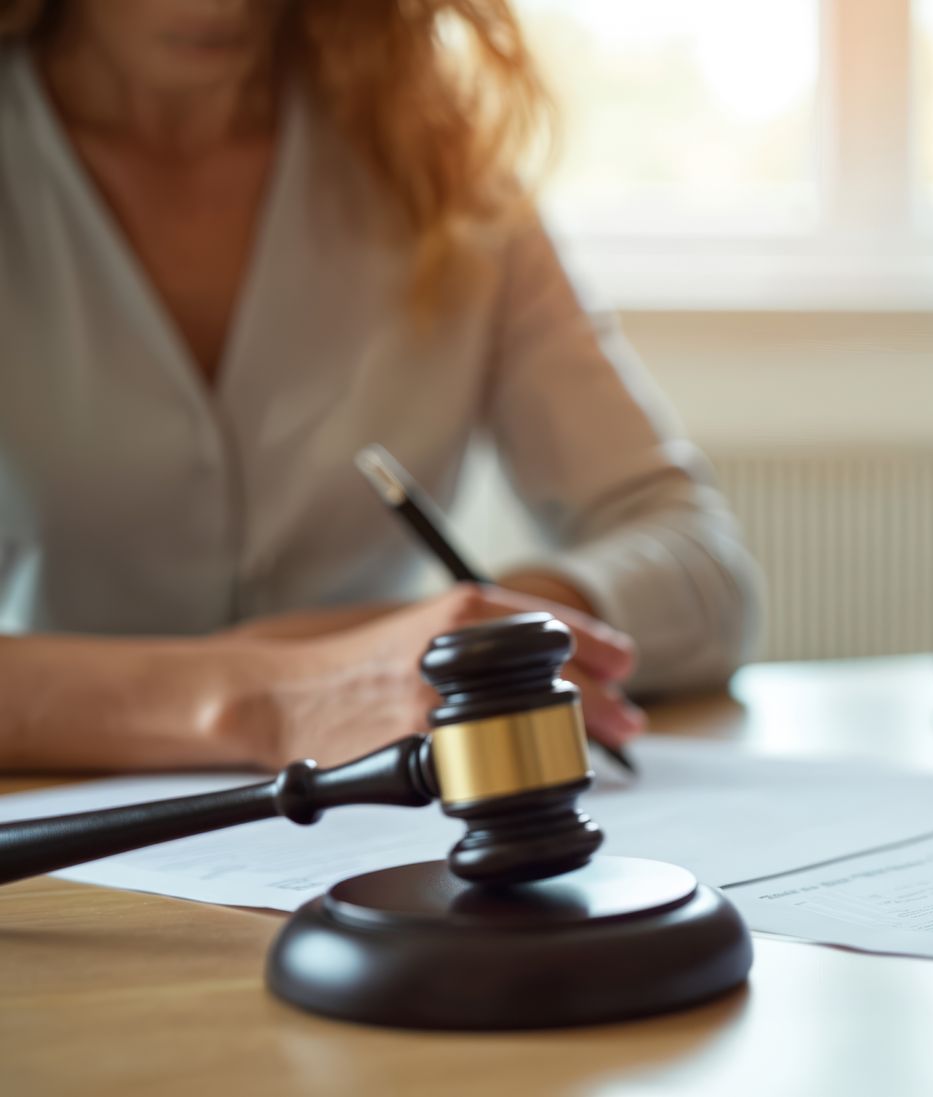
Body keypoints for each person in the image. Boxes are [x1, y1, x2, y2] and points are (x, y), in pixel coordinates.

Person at [0, 0, 760, 770]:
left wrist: (485, 629)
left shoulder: (435, 163)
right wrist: (271, 690)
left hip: (385, 810)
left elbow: (700, 564)